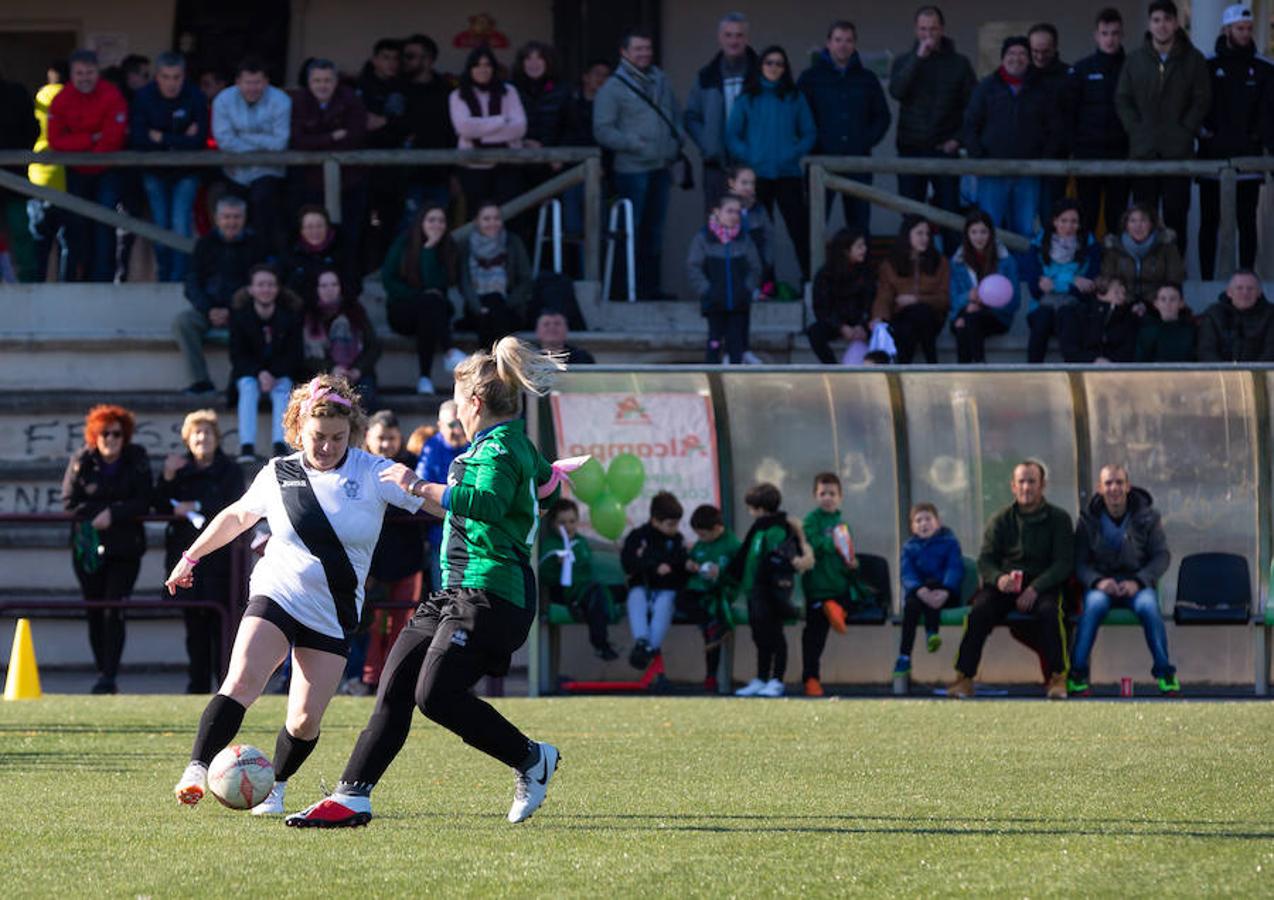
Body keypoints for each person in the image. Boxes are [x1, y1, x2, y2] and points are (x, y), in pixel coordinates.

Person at [283, 340, 568, 828]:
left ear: (474, 403)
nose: (456, 409)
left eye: (458, 400)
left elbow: (488, 504)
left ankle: (530, 758)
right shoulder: (513, 443)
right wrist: (549, 481)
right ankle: (352, 796)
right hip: (454, 590)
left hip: (492, 592)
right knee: (395, 685)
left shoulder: (499, 448)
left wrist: (420, 486)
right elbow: (548, 484)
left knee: (434, 694)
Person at [169, 375, 425, 816]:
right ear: (297, 430)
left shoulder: (374, 472)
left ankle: (276, 788)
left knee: (304, 721)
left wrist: (496, 503)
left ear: (353, 432)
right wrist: (190, 557)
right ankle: (197, 767)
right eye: (317, 438)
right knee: (243, 679)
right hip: (278, 591)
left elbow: (433, 500)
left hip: (334, 610)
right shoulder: (278, 472)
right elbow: (235, 517)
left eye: (337, 438)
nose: (326, 447)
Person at [949, 460, 1073, 700]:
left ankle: (1058, 678)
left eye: (1032, 481)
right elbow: (985, 560)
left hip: (1043, 586)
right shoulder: (1000, 519)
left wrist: (1036, 588)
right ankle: (964, 677)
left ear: (1043, 485)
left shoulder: (1060, 519)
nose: (1026, 487)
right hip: (1005, 588)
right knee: (978, 611)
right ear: (1013, 486)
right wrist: (999, 579)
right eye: (1021, 482)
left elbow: (1064, 564)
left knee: (1051, 612)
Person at [61, 404, 152, 694]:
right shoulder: (81, 460)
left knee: (114, 609)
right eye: (105, 434)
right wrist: (97, 513)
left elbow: (145, 499)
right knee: (95, 610)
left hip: (125, 548)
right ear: (94, 436)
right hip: (88, 548)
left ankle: (109, 675)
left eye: (116, 433)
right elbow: (68, 502)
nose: (111, 439)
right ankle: (102, 669)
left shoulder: (136, 458)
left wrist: (114, 513)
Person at [154, 410, 245, 694]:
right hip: (186, 559)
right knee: (194, 627)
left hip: (221, 559)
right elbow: (158, 504)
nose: (202, 438)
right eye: (196, 433)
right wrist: (167, 478)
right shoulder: (179, 469)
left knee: (223, 627)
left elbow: (232, 506)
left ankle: (225, 688)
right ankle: (197, 687)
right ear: (187, 439)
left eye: (207, 432)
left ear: (217, 438)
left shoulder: (230, 470)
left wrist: (194, 505)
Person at [1070, 464, 1178, 697]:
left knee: (1149, 607)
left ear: (1128, 486)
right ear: (1100, 488)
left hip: (1137, 584)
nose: (1114, 488)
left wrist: (1139, 581)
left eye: (1119, 482)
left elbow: (1162, 556)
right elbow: (1079, 563)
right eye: (1108, 483)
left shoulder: (1148, 516)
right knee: (1094, 606)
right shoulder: (1087, 520)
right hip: (1102, 585)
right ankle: (1077, 675)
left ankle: (1165, 674)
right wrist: (1098, 582)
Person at [1115, 0, 1210, 258]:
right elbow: (1123, 99)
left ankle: (1174, 278)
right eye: (1156, 20)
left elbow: (1202, 99)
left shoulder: (1193, 59)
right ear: (1150, 24)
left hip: (1177, 152)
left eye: (1167, 20)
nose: (1162, 25)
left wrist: (1186, 129)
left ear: (1176, 23)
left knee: (1176, 217)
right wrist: (1136, 129)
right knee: (1142, 220)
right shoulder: (1135, 60)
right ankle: (1144, 276)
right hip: (1143, 151)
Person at [593, 27, 683, 299]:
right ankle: (624, 292)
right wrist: (634, 144)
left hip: (660, 167)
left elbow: (674, 114)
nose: (644, 54)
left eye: (647, 49)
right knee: (630, 233)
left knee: (654, 234)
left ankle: (648, 289)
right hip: (632, 171)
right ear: (624, 52)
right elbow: (602, 130)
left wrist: (675, 143)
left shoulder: (661, 80)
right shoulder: (612, 88)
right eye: (638, 49)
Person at [888, 5, 976, 254]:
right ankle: (912, 270)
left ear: (942, 30)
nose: (928, 34)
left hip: (944, 150)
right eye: (923, 29)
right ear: (916, 30)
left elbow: (973, 109)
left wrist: (958, 140)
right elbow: (896, 91)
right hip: (910, 149)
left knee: (950, 216)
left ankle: (953, 273)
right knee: (911, 217)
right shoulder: (904, 61)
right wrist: (918, 58)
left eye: (933, 29)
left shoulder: (959, 63)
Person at [725, 44, 816, 282]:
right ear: (760, 66)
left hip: (788, 174)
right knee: (761, 233)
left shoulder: (795, 97)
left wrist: (794, 153)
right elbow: (732, 134)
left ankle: (809, 282)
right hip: (757, 177)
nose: (774, 67)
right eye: (769, 62)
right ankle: (765, 284)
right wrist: (750, 156)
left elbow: (809, 133)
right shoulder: (747, 98)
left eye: (779, 63)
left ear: (785, 68)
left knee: (800, 231)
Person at [798, 20, 891, 235]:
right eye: (838, 40)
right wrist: (813, 143)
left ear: (854, 44)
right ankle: (814, 270)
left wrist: (864, 141)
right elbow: (799, 117)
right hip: (820, 161)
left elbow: (882, 117)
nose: (843, 45)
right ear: (828, 43)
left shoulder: (867, 79)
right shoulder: (810, 78)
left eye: (848, 40)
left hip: (857, 162)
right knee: (813, 227)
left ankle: (860, 270)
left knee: (859, 226)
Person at [1198, 5, 1270, 279]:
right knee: (1209, 222)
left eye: (1249, 29)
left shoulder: (1264, 68)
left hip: (1248, 159)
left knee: (1246, 222)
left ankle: (1246, 281)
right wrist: (1204, 133)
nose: (1245, 33)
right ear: (1227, 29)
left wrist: (1258, 139)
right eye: (1239, 28)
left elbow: (1268, 112)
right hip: (1211, 159)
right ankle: (1206, 279)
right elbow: (1196, 105)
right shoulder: (1206, 65)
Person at [963, 36, 1057, 241]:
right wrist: (979, 160)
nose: (1017, 58)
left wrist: (1043, 159)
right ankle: (993, 273)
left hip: (1028, 174)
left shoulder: (1041, 89)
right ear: (1003, 58)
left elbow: (1053, 127)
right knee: (990, 228)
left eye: (1022, 53)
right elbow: (970, 125)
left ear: (1029, 58)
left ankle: (1021, 273)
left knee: (1024, 229)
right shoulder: (986, 87)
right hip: (993, 173)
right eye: (1011, 54)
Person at [173, 195, 268, 395]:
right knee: (183, 322)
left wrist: (235, 309)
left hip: (244, 310)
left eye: (236, 217)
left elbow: (261, 282)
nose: (231, 222)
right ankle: (201, 382)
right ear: (216, 219)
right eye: (226, 217)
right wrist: (209, 310)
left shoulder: (256, 244)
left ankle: (243, 381)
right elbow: (191, 283)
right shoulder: (204, 245)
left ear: (244, 218)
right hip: (209, 309)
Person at [362, 411, 427, 693]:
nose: (386, 444)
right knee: (375, 625)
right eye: (380, 438)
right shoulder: (360, 466)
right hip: (371, 563)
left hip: (408, 560)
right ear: (368, 438)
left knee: (404, 624)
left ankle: (398, 679)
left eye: (391, 438)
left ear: (400, 438)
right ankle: (371, 679)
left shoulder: (412, 467)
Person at [47, 49, 127, 283]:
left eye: (89, 72)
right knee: (75, 225)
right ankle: (73, 279)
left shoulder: (111, 95)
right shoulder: (61, 99)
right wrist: (90, 139)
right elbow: (56, 141)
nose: (84, 78)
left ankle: (103, 280)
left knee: (104, 224)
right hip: (75, 172)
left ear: (97, 72)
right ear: (71, 74)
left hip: (107, 171)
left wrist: (82, 144)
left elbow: (113, 138)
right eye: (79, 73)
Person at [728, 482, 813, 698]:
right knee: (759, 636)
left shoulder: (775, 529)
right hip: (754, 591)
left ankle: (776, 680)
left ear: (759, 509)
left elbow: (780, 560)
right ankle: (761, 677)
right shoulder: (759, 529)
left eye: (751, 508)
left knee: (774, 635)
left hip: (770, 592)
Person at [129, 51, 206, 282]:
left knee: (180, 224)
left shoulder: (195, 96)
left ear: (184, 77)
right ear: (157, 77)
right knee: (161, 227)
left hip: (187, 172)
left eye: (176, 77)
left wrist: (161, 137)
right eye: (166, 77)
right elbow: (139, 139)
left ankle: (179, 280)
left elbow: (199, 141)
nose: (172, 83)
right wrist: (180, 138)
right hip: (154, 172)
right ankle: (165, 277)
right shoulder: (144, 97)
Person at [212, 56, 292, 255]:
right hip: (235, 172)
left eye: (258, 82)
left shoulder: (281, 100)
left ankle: (264, 265)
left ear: (266, 81)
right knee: (231, 218)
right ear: (238, 82)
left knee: (265, 216)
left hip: (268, 171)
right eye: (248, 82)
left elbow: (280, 142)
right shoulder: (223, 100)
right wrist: (262, 141)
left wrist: (243, 137)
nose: (253, 88)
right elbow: (224, 141)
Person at [382, 204, 465, 394]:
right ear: (421, 222)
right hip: (402, 310)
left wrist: (429, 250)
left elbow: (436, 283)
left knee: (430, 307)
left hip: (431, 311)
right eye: (431, 220)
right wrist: (418, 296)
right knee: (429, 303)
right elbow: (389, 280)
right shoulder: (403, 243)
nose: (436, 225)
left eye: (441, 221)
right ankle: (449, 352)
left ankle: (425, 378)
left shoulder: (448, 248)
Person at [288, 59, 368, 255]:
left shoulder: (351, 99)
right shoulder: (299, 101)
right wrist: (331, 136)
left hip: (349, 181)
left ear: (336, 81)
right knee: (309, 233)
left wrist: (315, 140)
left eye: (327, 80)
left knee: (350, 234)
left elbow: (355, 137)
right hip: (309, 181)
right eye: (317, 81)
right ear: (308, 82)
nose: (322, 85)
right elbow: (297, 141)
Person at [800, 473, 865, 698]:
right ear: (815, 496)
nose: (827, 498)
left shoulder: (842, 523)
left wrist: (852, 563)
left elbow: (848, 553)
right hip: (818, 588)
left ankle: (836, 608)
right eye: (822, 494)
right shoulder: (810, 521)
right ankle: (811, 680)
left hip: (839, 586)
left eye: (832, 494)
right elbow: (813, 544)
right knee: (814, 638)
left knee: (855, 601)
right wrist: (833, 543)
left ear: (840, 497)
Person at [684, 12, 758, 209]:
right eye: (728, 35)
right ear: (720, 38)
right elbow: (691, 116)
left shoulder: (760, 75)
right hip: (716, 167)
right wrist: (708, 144)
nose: (734, 40)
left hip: (752, 165)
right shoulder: (706, 76)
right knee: (716, 224)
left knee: (753, 224)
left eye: (739, 35)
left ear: (747, 38)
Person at [229, 265, 303, 460]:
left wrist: (273, 373)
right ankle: (247, 447)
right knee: (247, 386)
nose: (266, 289)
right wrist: (259, 372)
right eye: (260, 284)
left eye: (271, 284)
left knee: (284, 387)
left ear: (277, 289)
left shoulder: (290, 317)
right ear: (251, 289)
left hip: (279, 374)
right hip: (250, 374)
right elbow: (237, 355)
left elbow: (294, 354)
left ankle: (280, 445)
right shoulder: (240, 318)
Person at [1067, 8, 1130, 236]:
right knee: (1087, 216)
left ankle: (1117, 269)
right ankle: (1087, 268)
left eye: (1114, 33)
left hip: (1122, 155)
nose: (1110, 39)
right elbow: (1069, 112)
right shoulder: (1082, 69)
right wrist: (1075, 147)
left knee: (1118, 217)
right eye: (1105, 33)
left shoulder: (1132, 67)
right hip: (1088, 155)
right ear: (1096, 35)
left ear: (1122, 34)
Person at [1020, 198, 1102, 362]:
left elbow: (1085, 291)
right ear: (1054, 221)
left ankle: (1072, 376)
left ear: (1080, 224)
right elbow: (1036, 290)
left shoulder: (1090, 246)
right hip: (1042, 307)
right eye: (1063, 221)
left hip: (1074, 308)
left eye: (1074, 222)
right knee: (1043, 317)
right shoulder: (1038, 245)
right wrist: (1072, 280)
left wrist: (1055, 284)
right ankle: (1033, 373)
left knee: (1067, 315)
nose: (1068, 226)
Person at [449, 46, 526, 212]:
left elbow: (519, 128)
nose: (482, 69)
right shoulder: (458, 95)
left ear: (494, 68)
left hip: (508, 165)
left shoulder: (510, 92)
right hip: (473, 167)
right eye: (477, 65)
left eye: (487, 65)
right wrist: (502, 121)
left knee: (511, 214)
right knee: (477, 215)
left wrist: (480, 132)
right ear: (470, 69)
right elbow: (465, 129)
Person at [687, 192, 762, 364]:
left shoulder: (744, 239)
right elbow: (693, 266)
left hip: (738, 303)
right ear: (717, 212)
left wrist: (746, 289)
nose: (734, 216)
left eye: (737, 212)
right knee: (714, 343)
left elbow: (755, 267)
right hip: (715, 303)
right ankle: (713, 382)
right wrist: (707, 290)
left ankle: (734, 382)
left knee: (736, 345)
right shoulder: (704, 237)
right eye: (729, 211)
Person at [539, 498, 618, 661]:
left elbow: (587, 562)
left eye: (572, 521)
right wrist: (557, 564)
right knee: (596, 594)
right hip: (565, 592)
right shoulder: (551, 545)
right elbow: (544, 574)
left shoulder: (580, 542)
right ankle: (601, 644)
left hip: (584, 589)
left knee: (616, 592)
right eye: (562, 522)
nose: (568, 527)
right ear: (553, 524)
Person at [894, 502, 963, 680]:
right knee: (911, 606)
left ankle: (932, 633)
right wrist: (919, 589)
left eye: (928, 519)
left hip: (945, 592)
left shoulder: (950, 543)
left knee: (933, 591)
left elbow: (954, 568)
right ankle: (904, 656)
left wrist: (947, 590)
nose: (923, 524)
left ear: (938, 522)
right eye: (918, 521)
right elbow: (907, 572)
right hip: (919, 593)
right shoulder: (909, 547)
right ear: (912, 527)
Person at [621, 491, 688, 671]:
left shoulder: (677, 540)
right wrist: (653, 567)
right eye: (670, 524)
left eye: (677, 524)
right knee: (636, 598)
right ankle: (642, 641)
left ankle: (651, 647)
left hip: (667, 589)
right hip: (642, 586)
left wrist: (674, 568)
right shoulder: (638, 537)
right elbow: (629, 563)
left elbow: (682, 565)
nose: (674, 528)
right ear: (655, 520)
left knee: (664, 605)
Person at [871, 215, 950, 364]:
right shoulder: (891, 263)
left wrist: (916, 300)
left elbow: (944, 299)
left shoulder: (940, 262)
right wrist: (879, 317)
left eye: (927, 234)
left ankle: (904, 366)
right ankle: (931, 363)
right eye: (919, 233)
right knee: (908, 325)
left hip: (932, 316)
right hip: (901, 316)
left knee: (920, 312)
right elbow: (884, 295)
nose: (925, 238)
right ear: (907, 235)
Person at [681, 503, 741, 692]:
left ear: (716, 529)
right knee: (683, 601)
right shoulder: (701, 544)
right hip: (699, 591)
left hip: (720, 592)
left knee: (712, 623)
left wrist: (720, 573)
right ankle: (713, 624)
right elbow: (695, 561)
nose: (701, 539)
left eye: (704, 534)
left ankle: (711, 676)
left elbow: (739, 574)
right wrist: (690, 565)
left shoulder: (732, 545)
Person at [949, 209, 1020, 364]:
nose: (979, 237)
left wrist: (986, 302)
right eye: (974, 232)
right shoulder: (957, 261)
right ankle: (974, 367)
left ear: (991, 234)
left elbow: (1015, 301)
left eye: (983, 232)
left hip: (997, 317)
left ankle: (974, 369)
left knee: (967, 322)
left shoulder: (1006, 261)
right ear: (967, 234)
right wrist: (968, 297)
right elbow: (953, 299)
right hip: (966, 312)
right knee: (966, 322)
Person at [300, 269, 382, 404]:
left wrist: (357, 370)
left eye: (334, 284)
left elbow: (373, 346)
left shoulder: (355, 312)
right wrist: (332, 369)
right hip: (320, 374)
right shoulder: (308, 316)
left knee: (363, 397)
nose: (329, 289)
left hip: (356, 373)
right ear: (316, 289)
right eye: (324, 285)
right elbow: (303, 354)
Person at [458, 201, 533, 347]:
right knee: (491, 313)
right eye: (486, 219)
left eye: (496, 218)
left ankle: (486, 364)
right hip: (476, 308)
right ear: (477, 222)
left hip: (509, 306)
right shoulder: (466, 246)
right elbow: (464, 283)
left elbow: (526, 280)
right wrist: (479, 307)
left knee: (495, 307)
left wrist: (506, 303)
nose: (492, 223)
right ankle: (500, 363)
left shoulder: (513, 242)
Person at [414, 400, 469, 592]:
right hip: (442, 535)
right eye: (451, 425)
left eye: (460, 423)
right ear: (439, 426)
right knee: (446, 594)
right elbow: (421, 487)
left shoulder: (477, 445)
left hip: (475, 537)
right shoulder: (431, 448)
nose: (458, 430)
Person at [401, 33, 456, 217]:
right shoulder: (398, 88)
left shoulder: (447, 91)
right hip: (404, 176)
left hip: (440, 176)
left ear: (428, 60)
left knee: (438, 228)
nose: (404, 61)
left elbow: (453, 133)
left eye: (410, 56)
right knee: (407, 228)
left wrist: (454, 174)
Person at [807, 228, 874, 365]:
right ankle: (832, 368)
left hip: (861, 322)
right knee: (815, 332)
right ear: (846, 250)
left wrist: (862, 325)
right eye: (859, 246)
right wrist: (841, 327)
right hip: (837, 323)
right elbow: (822, 308)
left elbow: (870, 302)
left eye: (864, 245)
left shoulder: (866, 272)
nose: (864, 250)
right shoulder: (825, 274)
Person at [27, 61, 69, 283]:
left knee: (40, 241)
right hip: (65, 175)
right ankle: (64, 286)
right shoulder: (70, 97)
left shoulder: (40, 96)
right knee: (65, 242)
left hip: (39, 173)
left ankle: (38, 285)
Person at [1099, 203, 1185, 309]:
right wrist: (1125, 298)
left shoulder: (1166, 247)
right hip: (1124, 304)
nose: (1138, 226)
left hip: (1157, 305)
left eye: (1143, 220)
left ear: (1151, 224)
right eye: (1132, 221)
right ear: (1126, 225)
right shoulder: (1114, 248)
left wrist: (1149, 303)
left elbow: (1175, 279)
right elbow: (1107, 278)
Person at [1028, 23, 1072, 220]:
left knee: (1051, 218)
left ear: (1055, 48)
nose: (1039, 56)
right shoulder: (1021, 76)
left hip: (1055, 161)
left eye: (1045, 51)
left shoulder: (1069, 76)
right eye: (1034, 51)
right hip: (1023, 161)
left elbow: (1071, 118)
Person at [0, 67, 38, 282]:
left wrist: (18, 157)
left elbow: (32, 130)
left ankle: (28, 280)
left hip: (15, 177)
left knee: (21, 230)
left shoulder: (15, 93)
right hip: (15, 175)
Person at [1196, 269, 1274, 362]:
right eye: (1239, 288)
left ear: (1259, 293)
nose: (1245, 293)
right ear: (1229, 292)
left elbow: (1271, 351)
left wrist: (1253, 372)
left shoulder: (1271, 315)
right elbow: (1206, 350)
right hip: (1220, 374)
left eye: (1250, 288)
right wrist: (1226, 373)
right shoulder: (1213, 315)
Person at [1058, 275, 1139, 363]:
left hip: (1115, 370)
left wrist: (1110, 362)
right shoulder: (1078, 314)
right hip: (1083, 370)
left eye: (1123, 293)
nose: (1122, 297)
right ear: (1100, 294)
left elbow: (1127, 351)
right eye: (1116, 292)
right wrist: (1094, 360)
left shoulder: (1127, 317)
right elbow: (1070, 350)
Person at [283, 205, 357, 298]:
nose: (315, 231)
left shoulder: (344, 251)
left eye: (319, 226)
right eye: (309, 227)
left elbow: (354, 285)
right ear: (301, 230)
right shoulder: (290, 254)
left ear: (327, 228)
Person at [1136, 283, 1196, 362]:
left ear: (1181, 303)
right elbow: (1139, 364)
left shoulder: (1191, 331)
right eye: (1163, 299)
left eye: (1173, 299)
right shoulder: (1147, 331)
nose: (1168, 304)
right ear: (1156, 304)